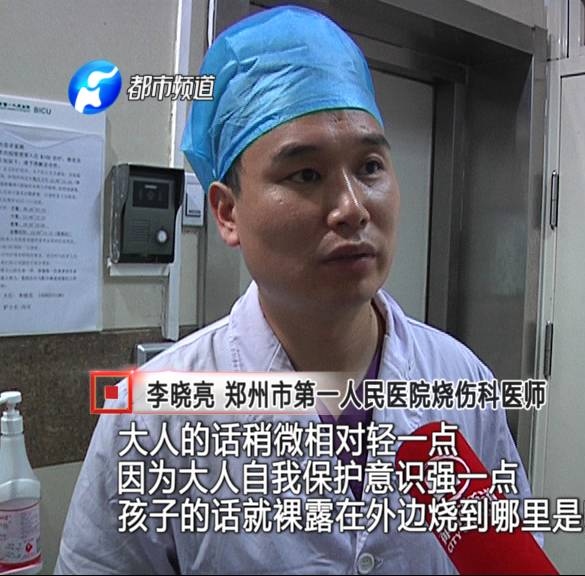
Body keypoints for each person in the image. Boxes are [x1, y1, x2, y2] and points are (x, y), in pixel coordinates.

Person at [56, 6, 536, 574]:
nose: (352, 208)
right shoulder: (151, 418)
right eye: (306, 174)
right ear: (227, 212)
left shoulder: (462, 382)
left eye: (371, 166)